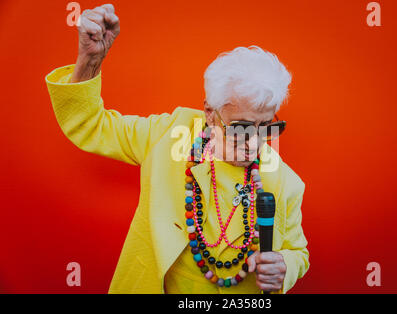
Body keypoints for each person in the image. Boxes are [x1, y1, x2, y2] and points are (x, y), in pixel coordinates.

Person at [45, 3, 310, 294]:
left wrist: (285, 266)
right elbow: (91, 124)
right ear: (210, 113)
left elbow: (298, 252)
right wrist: (89, 61)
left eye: (267, 127)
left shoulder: (286, 182)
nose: (255, 142)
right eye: (241, 128)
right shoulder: (169, 133)